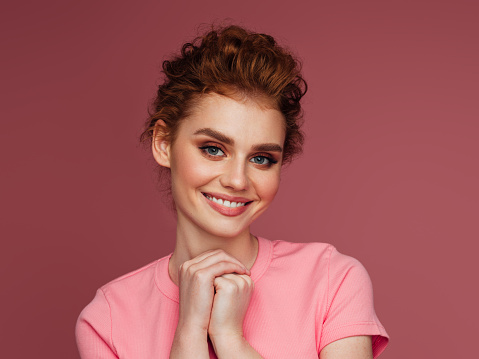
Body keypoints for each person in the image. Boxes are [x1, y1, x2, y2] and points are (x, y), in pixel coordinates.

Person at [75, 24, 389, 359]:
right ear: (164, 143)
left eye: (261, 158)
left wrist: (229, 338)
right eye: (213, 149)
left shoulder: (332, 279)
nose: (238, 180)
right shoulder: (106, 320)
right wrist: (189, 333)